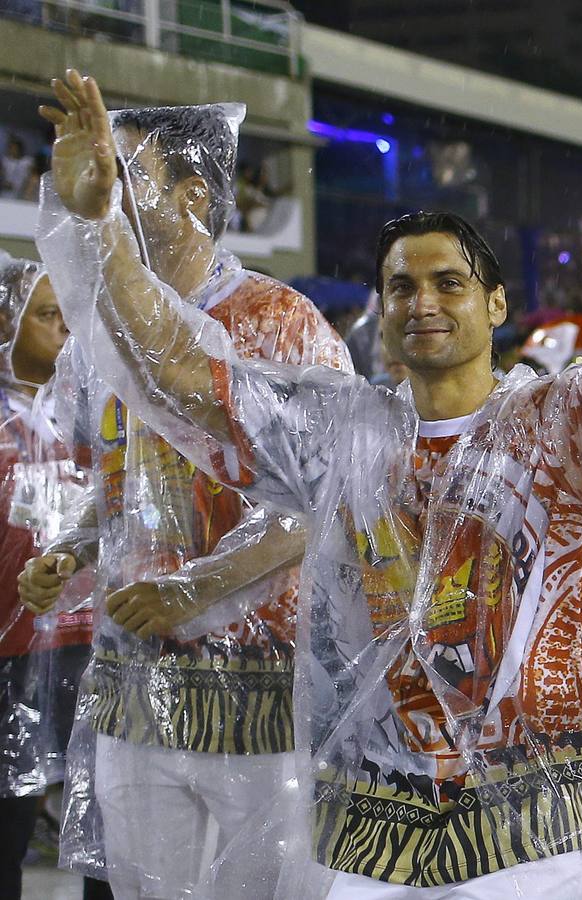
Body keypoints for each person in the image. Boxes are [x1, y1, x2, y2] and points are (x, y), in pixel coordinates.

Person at [37, 55, 582, 898]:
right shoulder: (345, 433)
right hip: (377, 819)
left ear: (495, 305)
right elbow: (189, 373)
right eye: (401, 285)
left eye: (450, 282)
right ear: (382, 312)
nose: (423, 300)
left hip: (535, 823)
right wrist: (103, 229)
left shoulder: (559, 426)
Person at [23, 96, 352, 899]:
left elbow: (328, 497)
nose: (105, 190)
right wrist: (64, 553)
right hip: (135, 693)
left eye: (126, 173)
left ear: (193, 195)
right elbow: (115, 491)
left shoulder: (279, 322)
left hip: (260, 698)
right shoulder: (99, 335)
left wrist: (194, 587)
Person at [0, 254, 95, 898]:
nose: (64, 330)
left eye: (68, 316)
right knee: (7, 830)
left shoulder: (78, 413)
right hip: (7, 650)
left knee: (98, 836)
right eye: (45, 315)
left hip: (81, 644)